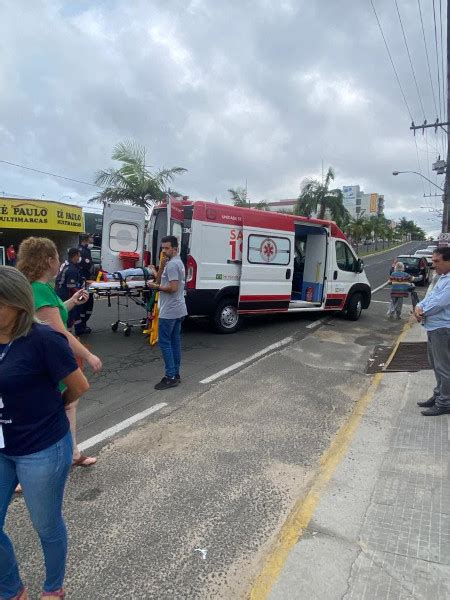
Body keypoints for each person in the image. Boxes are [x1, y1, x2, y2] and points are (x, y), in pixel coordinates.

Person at [0, 265, 89, 600]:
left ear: (18, 304)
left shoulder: (44, 340)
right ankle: (11, 589)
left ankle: (54, 588)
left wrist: (54, 408)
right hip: (3, 445)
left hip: (42, 448)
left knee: (46, 525)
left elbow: (79, 385)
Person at [17, 237, 102, 466]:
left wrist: (72, 301)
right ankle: (23, 469)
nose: (60, 262)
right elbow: (58, 332)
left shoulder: (41, 287)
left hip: (43, 359)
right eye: (57, 257)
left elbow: (54, 313)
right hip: (43, 361)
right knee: (42, 412)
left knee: (68, 404)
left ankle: (73, 452)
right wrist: (88, 355)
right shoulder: (38, 289)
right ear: (48, 260)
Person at [415, 247, 450, 416]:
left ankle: (445, 402)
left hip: (443, 329)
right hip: (433, 327)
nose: (433, 264)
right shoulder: (442, 278)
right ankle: (438, 396)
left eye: (437, 261)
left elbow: (441, 303)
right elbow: (430, 297)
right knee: (435, 365)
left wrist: (423, 312)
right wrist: (418, 307)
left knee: (444, 367)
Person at [149, 236, 187, 390]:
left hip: (169, 311)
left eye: (167, 248)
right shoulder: (175, 263)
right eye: (162, 248)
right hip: (178, 309)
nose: (164, 251)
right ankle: (175, 374)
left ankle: (170, 376)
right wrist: (160, 267)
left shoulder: (173, 265)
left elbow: (172, 288)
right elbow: (160, 281)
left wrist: (155, 288)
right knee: (175, 342)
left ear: (175, 249)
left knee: (165, 342)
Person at [55, 248, 85, 336]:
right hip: (64, 293)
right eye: (79, 256)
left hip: (59, 290)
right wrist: (80, 295)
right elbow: (71, 287)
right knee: (70, 312)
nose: (79, 258)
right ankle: (68, 333)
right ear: (75, 256)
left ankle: (74, 330)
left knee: (71, 312)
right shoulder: (72, 269)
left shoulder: (67, 263)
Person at [77, 234, 94, 334]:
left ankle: (82, 325)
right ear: (86, 240)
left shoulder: (82, 250)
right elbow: (87, 265)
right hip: (84, 281)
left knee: (85, 303)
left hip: (84, 280)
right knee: (85, 303)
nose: (92, 240)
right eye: (90, 238)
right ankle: (81, 327)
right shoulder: (83, 251)